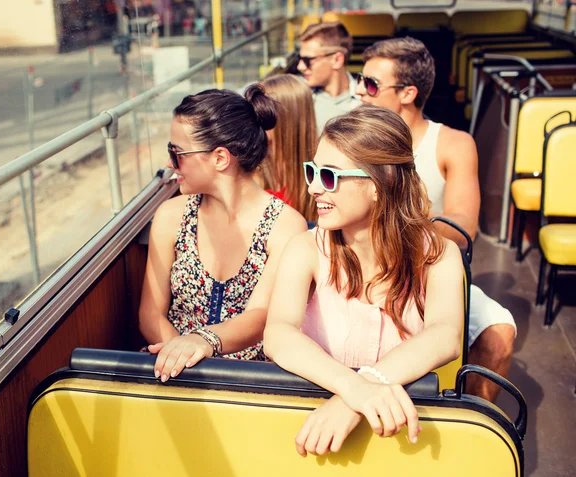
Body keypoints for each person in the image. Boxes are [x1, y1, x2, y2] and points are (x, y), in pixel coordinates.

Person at [264, 105, 464, 456]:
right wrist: (353, 389)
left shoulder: (439, 256)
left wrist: (357, 394)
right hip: (313, 433)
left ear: (377, 185)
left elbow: (444, 336)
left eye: (329, 177)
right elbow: (278, 334)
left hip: (401, 435)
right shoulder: (306, 249)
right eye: (312, 172)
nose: (313, 187)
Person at [355, 37, 517, 402]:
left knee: (498, 331)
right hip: (359, 266)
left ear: (408, 93)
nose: (359, 92)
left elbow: (463, 227)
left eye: (370, 84)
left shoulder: (452, 144)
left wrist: (397, 217)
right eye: (359, 80)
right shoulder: (353, 137)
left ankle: (471, 423)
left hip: (426, 271)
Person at [139, 86, 307, 382]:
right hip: (171, 372)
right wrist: (177, 356)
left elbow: (259, 316)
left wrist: (200, 342)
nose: (169, 164)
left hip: (249, 378)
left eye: (176, 153)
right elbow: (151, 312)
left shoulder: (286, 225)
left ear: (220, 158)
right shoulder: (170, 216)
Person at [258, 74, 318, 222]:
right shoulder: (248, 167)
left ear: (288, 117)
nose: (254, 117)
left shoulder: (321, 174)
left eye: (263, 110)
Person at [297, 22, 361, 133]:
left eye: (308, 60)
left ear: (336, 60)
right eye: (299, 58)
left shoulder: (366, 102)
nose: (300, 66)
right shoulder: (298, 97)